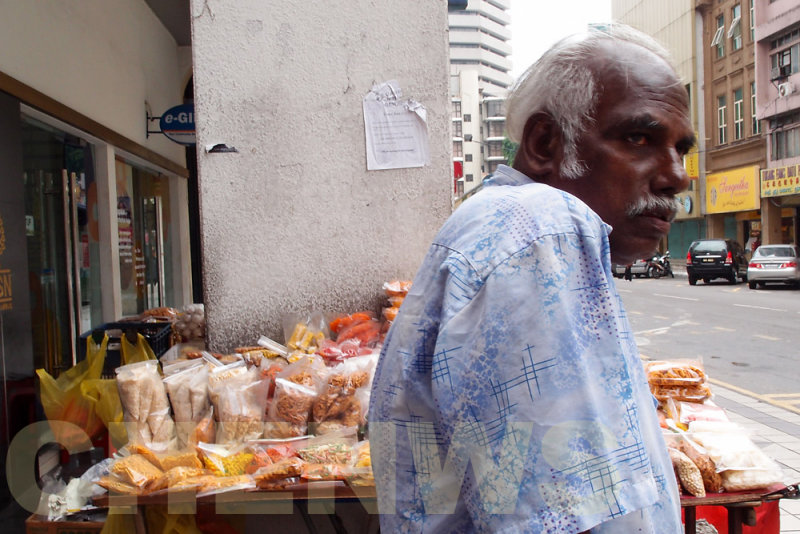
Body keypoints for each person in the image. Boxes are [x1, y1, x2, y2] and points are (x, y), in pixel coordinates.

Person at [368, 23, 695, 534]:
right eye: (639, 137)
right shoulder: (539, 227)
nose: (676, 175)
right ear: (546, 143)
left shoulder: (512, 227)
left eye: (682, 149)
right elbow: (563, 517)